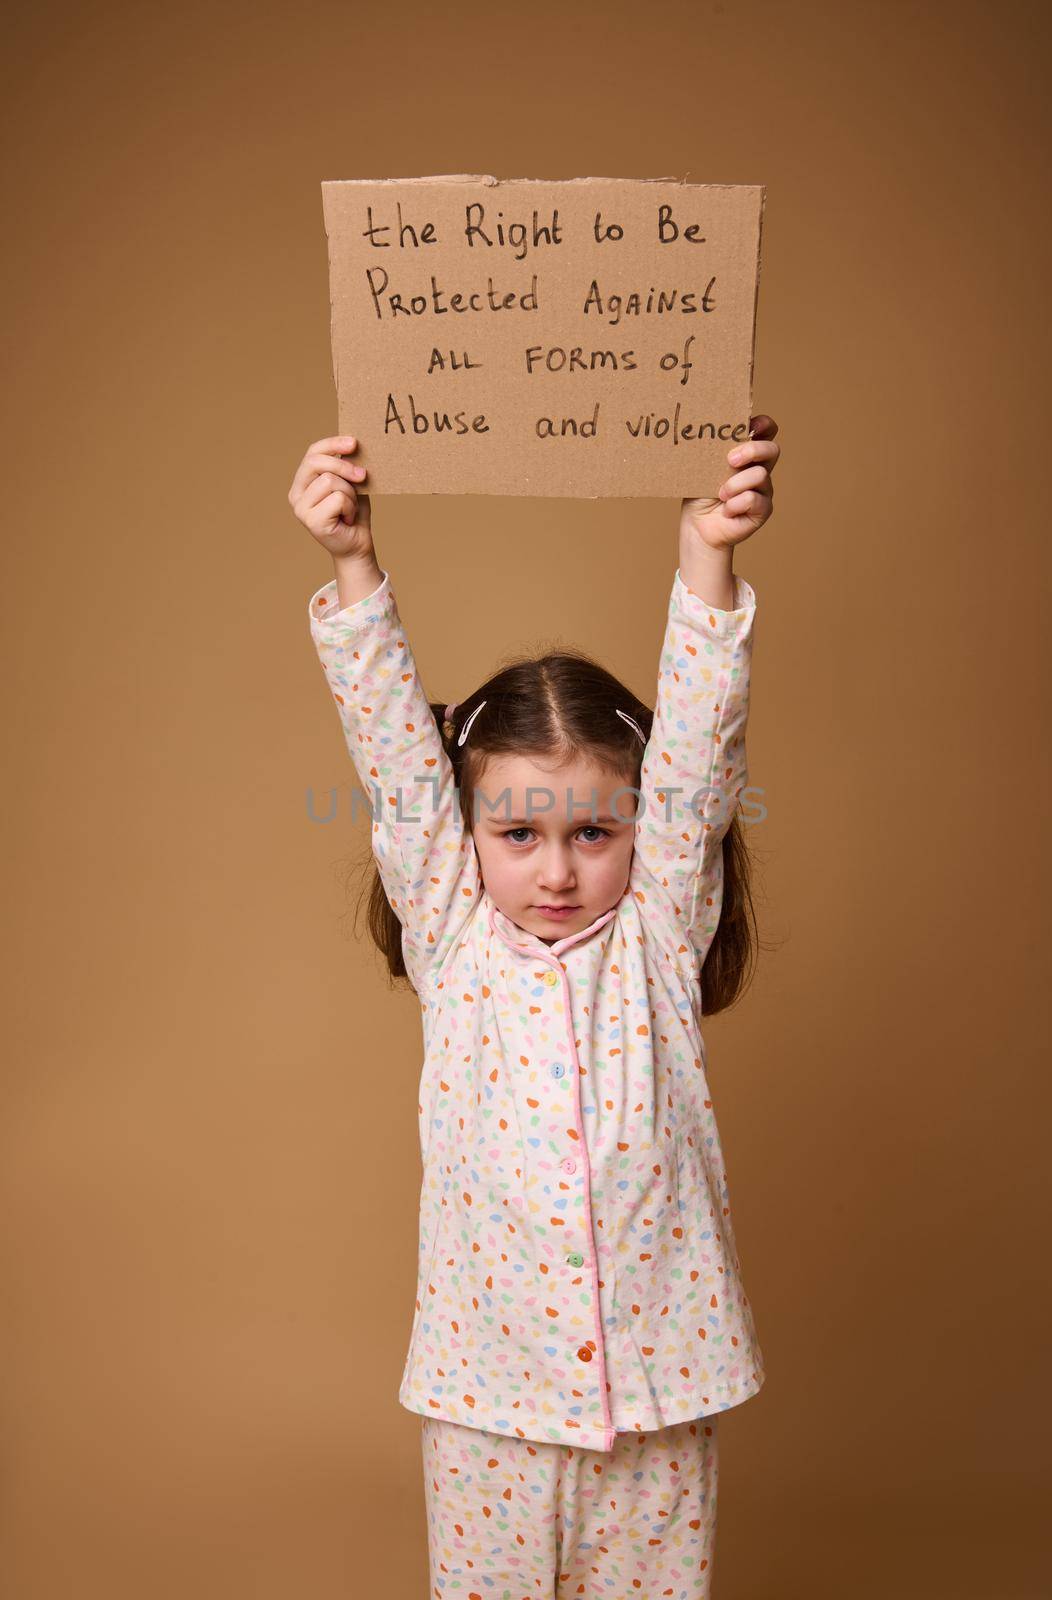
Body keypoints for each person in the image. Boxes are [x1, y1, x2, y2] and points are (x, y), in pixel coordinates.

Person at [288, 416, 781, 1597]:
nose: (556, 870)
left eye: (591, 834)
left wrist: (706, 553)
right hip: (486, 1397)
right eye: (517, 834)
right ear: (467, 839)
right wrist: (352, 563)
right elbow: (398, 760)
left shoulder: (659, 933)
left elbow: (702, 759)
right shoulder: (458, 938)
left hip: (663, 1389)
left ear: (634, 832)